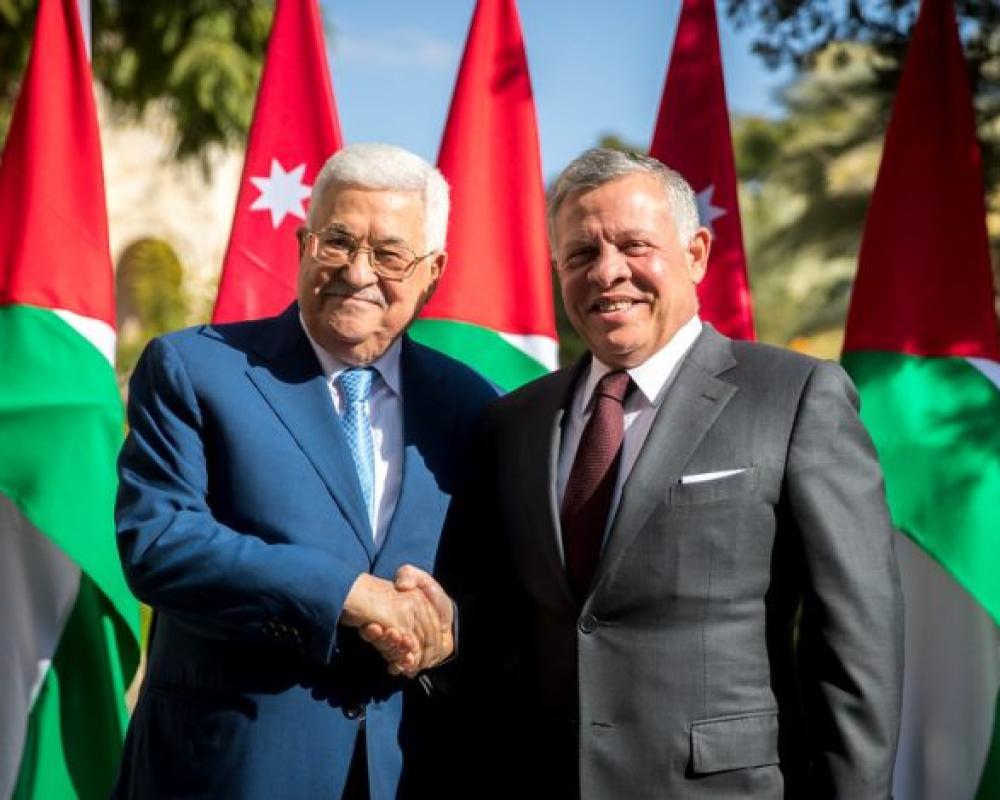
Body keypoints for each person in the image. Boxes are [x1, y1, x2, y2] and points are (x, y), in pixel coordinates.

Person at [381, 148, 904, 798]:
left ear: (696, 253)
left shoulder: (796, 397)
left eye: (634, 245)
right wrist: (436, 628)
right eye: (580, 254)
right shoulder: (514, 422)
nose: (607, 272)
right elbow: (500, 621)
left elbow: (855, 637)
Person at [112, 143, 498, 800]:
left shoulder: (472, 405)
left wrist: (447, 631)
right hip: (231, 768)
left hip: (408, 769)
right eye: (338, 242)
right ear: (302, 244)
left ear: (432, 270)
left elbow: (501, 584)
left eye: (390, 254)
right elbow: (161, 543)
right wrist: (346, 593)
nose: (358, 271)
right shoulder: (194, 369)